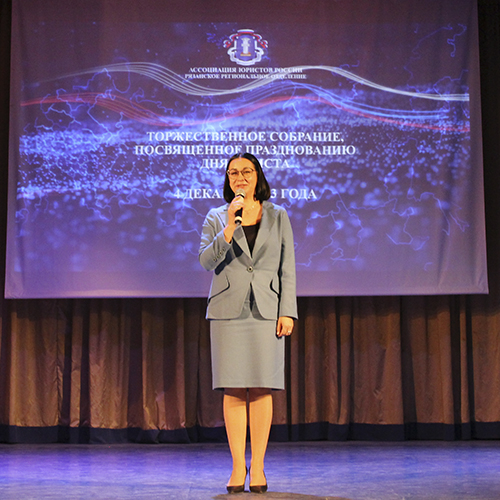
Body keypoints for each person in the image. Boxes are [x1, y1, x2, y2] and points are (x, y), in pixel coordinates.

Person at [199, 152, 298, 494]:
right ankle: (237, 466)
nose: (239, 177)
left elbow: (287, 267)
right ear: (227, 179)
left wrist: (287, 310)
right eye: (233, 173)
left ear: (258, 176)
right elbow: (206, 261)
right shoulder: (216, 217)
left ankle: (258, 466)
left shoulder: (278, 215)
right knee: (233, 388)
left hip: (266, 310)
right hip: (228, 311)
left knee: (260, 387)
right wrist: (229, 227)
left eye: (246, 171)